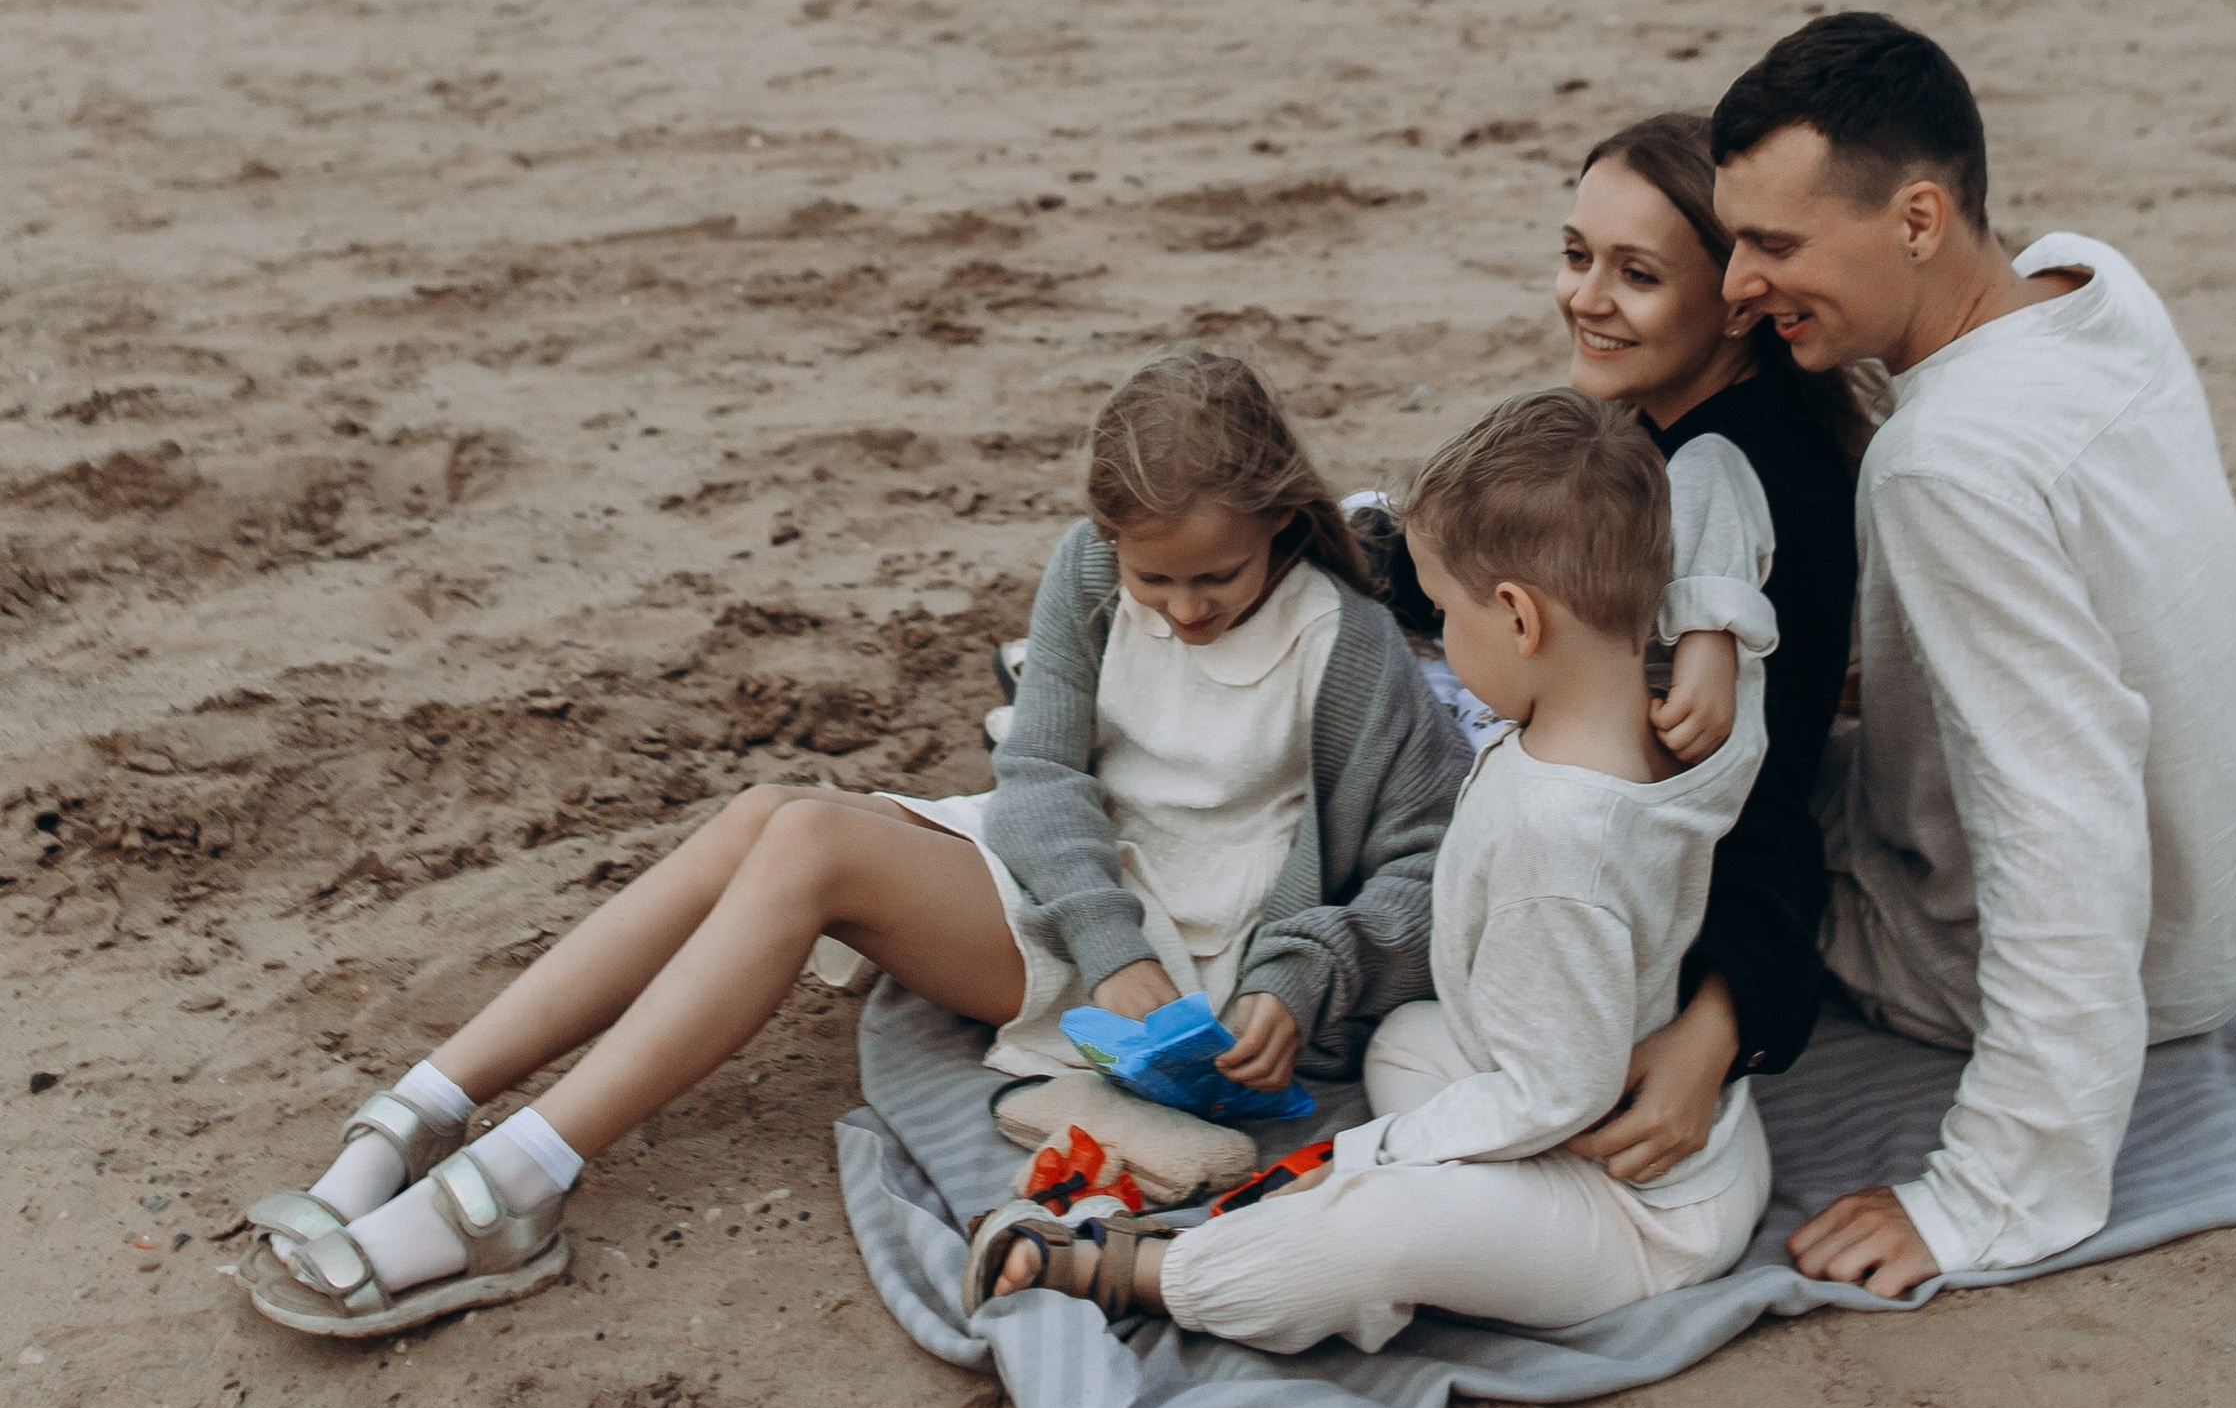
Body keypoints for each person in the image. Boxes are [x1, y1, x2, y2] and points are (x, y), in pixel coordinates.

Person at [241, 350, 1471, 1342]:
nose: (1186, 607)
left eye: (1217, 578)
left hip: (1195, 959)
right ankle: (420, 1112)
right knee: (767, 812)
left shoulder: (1343, 642)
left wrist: (1301, 975)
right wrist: (1106, 940)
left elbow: (1430, 862)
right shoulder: (1092, 564)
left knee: (814, 847)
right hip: (1092, 901)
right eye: (1158, 582)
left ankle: (519, 1183)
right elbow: (1041, 773)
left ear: (1281, 518)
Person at [1703, 11, 2236, 1295]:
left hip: (2115, 960)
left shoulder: (1942, 467)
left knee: (1671, 800)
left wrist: (1990, 1190)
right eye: (1729, 242)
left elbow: (2059, 824)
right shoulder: (2091, 287)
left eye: (1774, 244)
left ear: (1918, 220)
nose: (1733, 285)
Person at [967, 390, 1773, 1348]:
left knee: (1372, 1231)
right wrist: (1714, 629)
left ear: (1518, 618)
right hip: (1607, 1107)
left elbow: (1560, 1094)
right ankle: (1455, 1209)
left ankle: (1147, 1269)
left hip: (1636, 1212)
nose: (1437, 637)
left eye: (1444, 613)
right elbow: (1718, 471)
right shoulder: (1698, 718)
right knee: (1407, 1041)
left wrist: (1358, 1156)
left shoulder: (1559, 849)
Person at [1546, 117, 1863, 1201]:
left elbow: (1755, 797)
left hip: (1670, 925)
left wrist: (1716, 1033)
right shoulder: (1675, 429)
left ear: (1734, 303)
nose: (1586, 298)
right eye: (1577, 255)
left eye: (1636, 274)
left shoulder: (1734, 489)